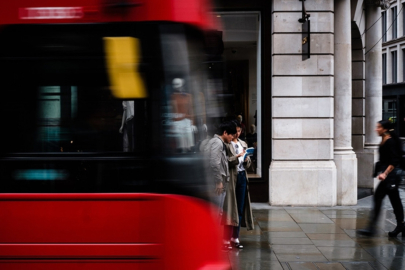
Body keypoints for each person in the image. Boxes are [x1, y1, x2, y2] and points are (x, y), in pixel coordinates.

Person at [358, 120, 404, 237]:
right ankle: (401, 225)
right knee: (394, 201)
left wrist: (385, 173)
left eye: (379, 127)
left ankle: (372, 228)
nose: (376, 129)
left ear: (385, 129)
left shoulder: (390, 141)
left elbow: (394, 160)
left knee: (381, 198)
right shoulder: (385, 139)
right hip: (389, 177)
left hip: (390, 177)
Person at [203, 121, 237, 250]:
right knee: (216, 214)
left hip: (216, 182)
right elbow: (214, 163)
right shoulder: (217, 143)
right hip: (217, 184)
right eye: (231, 135)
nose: (232, 139)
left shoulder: (215, 142)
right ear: (225, 133)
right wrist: (218, 181)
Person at [223, 121, 254, 249]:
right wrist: (237, 157)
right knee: (230, 208)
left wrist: (246, 160)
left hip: (242, 176)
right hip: (231, 178)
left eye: (239, 131)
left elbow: (248, 165)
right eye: (236, 131)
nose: (237, 133)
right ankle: (226, 239)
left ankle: (235, 237)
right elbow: (224, 162)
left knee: (240, 207)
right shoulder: (226, 144)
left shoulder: (243, 144)